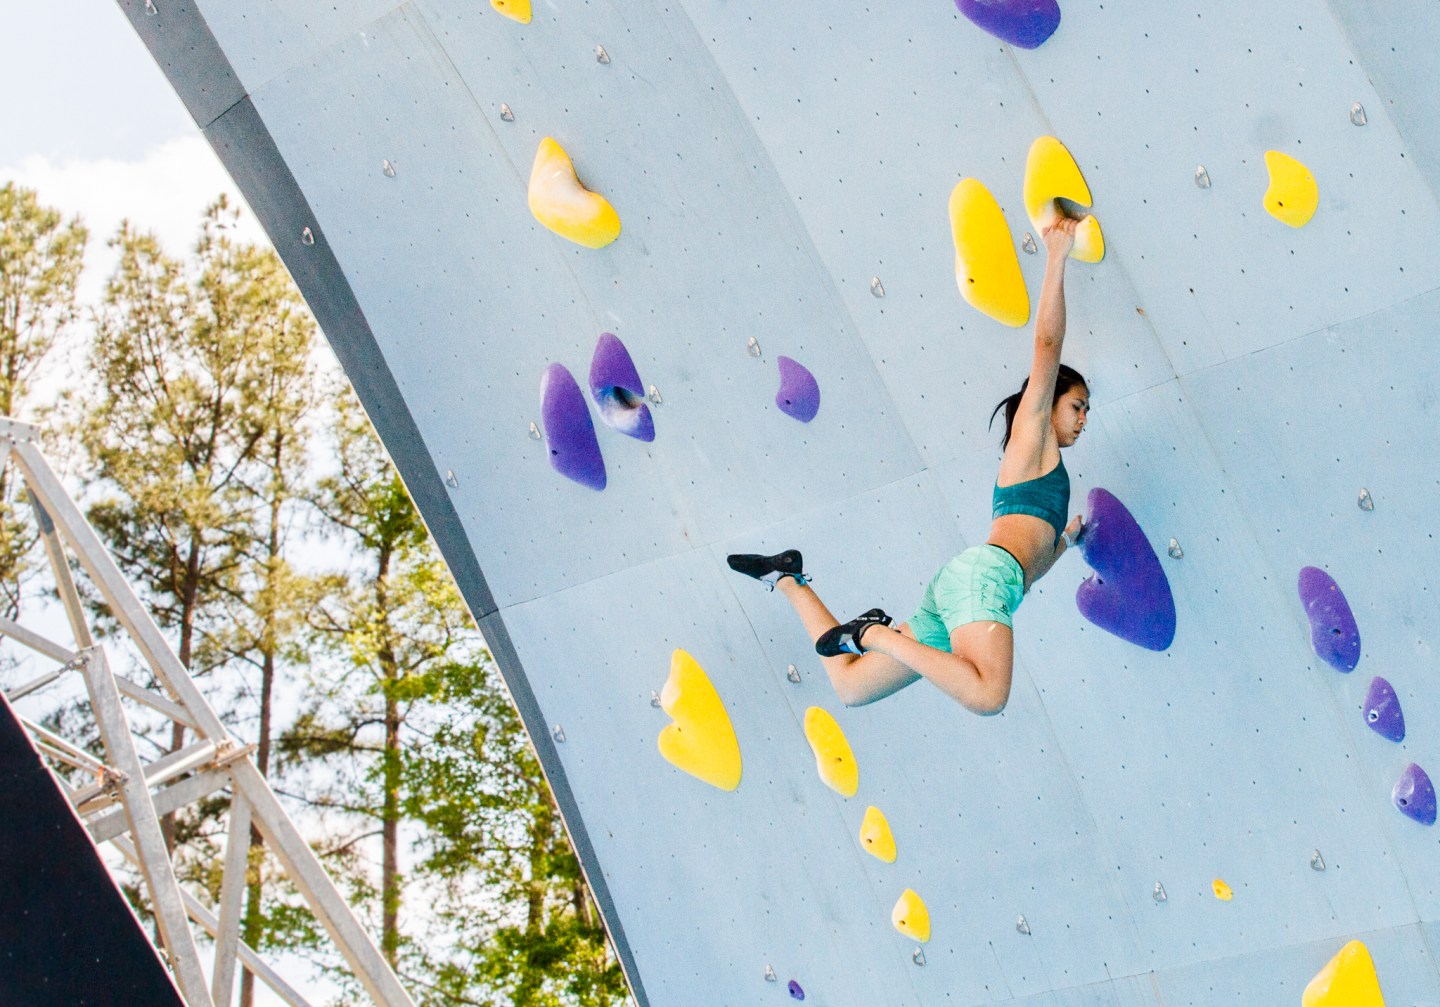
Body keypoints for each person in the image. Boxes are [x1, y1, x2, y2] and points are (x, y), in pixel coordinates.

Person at [727, 216, 1089, 715]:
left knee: (852, 689)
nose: (1084, 418)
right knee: (987, 696)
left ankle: (789, 579)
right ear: (1045, 403)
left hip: (968, 584)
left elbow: (1034, 567)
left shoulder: (1044, 488)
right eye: (1077, 405)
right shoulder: (1033, 440)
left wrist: (1069, 538)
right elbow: (1047, 347)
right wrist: (1056, 257)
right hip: (980, 582)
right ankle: (873, 633)